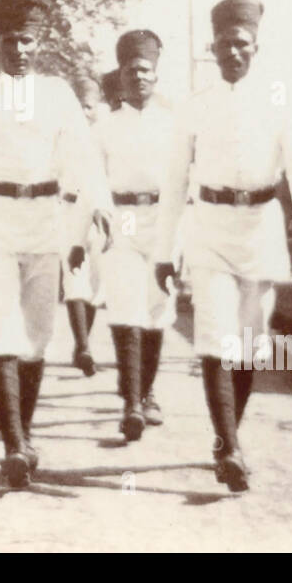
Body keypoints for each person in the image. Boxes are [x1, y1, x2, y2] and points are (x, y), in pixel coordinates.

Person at [153, 0, 292, 493]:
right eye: (225, 45)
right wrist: (163, 252)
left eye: (242, 44)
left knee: (250, 345)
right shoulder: (193, 107)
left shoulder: (277, 101)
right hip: (208, 227)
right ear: (212, 48)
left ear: (257, 47)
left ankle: (228, 432)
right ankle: (229, 447)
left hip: (260, 228)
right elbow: (172, 183)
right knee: (214, 335)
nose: (234, 53)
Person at [0, 0, 110, 489]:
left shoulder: (57, 94)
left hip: (44, 220)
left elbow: (84, 158)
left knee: (36, 336)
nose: (18, 50)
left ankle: (24, 434)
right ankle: (13, 444)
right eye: (9, 41)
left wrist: (98, 207)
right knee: (2, 328)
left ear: (40, 43)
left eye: (26, 40)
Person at [97, 30, 176, 441]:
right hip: (122, 214)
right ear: (121, 77)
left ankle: (147, 393)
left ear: (156, 75)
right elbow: (92, 175)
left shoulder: (175, 123)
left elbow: (187, 180)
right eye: (131, 71)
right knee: (125, 303)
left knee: (156, 306)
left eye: (145, 70)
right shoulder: (106, 125)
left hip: (162, 216)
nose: (138, 77)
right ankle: (130, 403)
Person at [63, 73, 108, 376]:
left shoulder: (107, 135)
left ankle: (84, 341)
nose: (84, 112)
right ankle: (82, 346)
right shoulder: (63, 135)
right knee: (73, 278)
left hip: (102, 217)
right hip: (68, 211)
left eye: (89, 106)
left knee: (96, 282)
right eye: (78, 106)